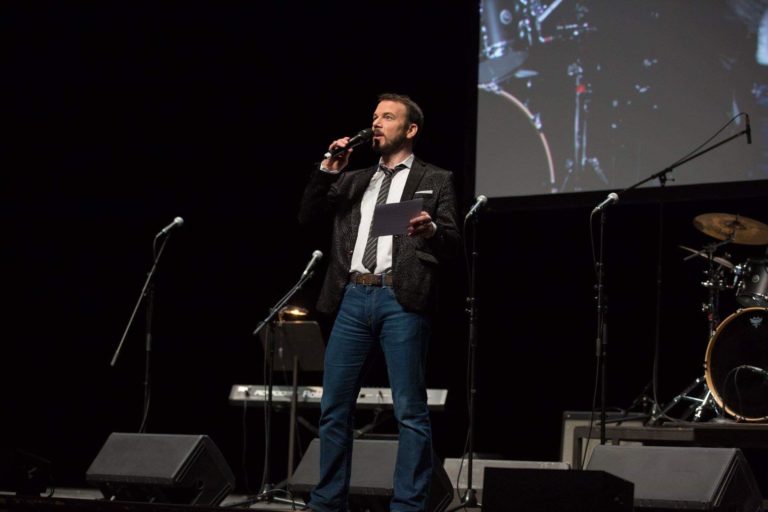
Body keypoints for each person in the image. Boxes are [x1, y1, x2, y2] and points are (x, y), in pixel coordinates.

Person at [297, 93, 461, 512]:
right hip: (352, 296)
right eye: (374, 117)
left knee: (409, 410)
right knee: (334, 408)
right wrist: (325, 172)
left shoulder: (436, 178)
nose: (376, 123)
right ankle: (327, 502)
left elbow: (454, 242)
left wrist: (431, 233)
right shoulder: (353, 180)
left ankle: (408, 506)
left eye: (387, 117)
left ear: (410, 129)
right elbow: (308, 218)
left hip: (400, 298)